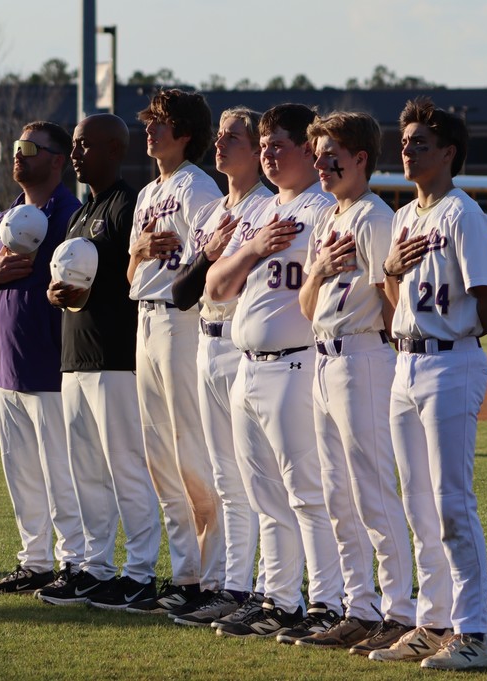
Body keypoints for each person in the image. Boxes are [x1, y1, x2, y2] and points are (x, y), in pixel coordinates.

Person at [369, 97, 487, 670]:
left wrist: (453, 336)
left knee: (452, 502)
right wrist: (393, 272)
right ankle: (433, 621)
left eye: (420, 141)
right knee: (417, 503)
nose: (408, 149)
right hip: (406, 362)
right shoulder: (404, 217)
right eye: (404, 141)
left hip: (451, 362)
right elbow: (394, 306)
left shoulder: (463, 214)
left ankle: (471, 632)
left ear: (449, 152)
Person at [205, 103, 344, 638]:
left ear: (309, 150)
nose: (266, 153)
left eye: (277, 144)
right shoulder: (259, 214)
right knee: (265, 497)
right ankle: (278, 601)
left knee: (307, 494)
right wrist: (254, 248)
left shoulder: (322, 209)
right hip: (248, 369)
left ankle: (327, 602)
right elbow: (216, 287)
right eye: (262, 144)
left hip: (296, 365)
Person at [292, 111, 416, 653]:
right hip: (322, 359)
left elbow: (390, 303)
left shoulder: (371, 217)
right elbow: (305, 306)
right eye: (316, 153)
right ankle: (358, 609)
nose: (320, 163)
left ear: (361, 157)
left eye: (330, 153)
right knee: (337, 495)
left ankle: (398, 612)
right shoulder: (329, 217)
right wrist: (317, 271)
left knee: (372, 493)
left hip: (363, 357)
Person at [37, 113, 163, 609]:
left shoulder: (129, 204)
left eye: (85, 145)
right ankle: (94, 567)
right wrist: (57, 290)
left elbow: (137, 279)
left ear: (114, 148)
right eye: (73, 145)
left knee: (126, 469)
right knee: (85, 472)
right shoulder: (80, 212)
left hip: (116, 357)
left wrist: (91, 286)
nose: (75, 153)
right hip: (76, 357)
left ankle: (138, 573)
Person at [168, 106, 272, 627]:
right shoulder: (213, 213)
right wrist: (207, 254)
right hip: (206, 346)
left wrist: (217, 260)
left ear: (257, 150)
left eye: (234, 137)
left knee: (255, 479)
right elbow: (181, 292)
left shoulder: (267, 207)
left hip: (241, 345)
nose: (221, 143)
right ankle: (228, 585)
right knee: (225, 478)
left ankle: (252, 588)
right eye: (222, 135)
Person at [125, 88, 224, 615]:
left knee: (192, 455)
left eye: (160, 122)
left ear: (184, 132)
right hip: (145, 318)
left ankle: (212, 577)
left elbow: (206, 263)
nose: (150, 130)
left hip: (181, 324)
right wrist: (138, 249)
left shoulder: (198, 187)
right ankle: (184, 574)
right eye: (149, 122)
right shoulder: (147, 193)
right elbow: (130, 275)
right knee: (160, 456)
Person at [0, 121, 84, 594]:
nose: (18, 155)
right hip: (8, 367)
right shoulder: (5, 218)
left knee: (63, 475)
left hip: (53, 365)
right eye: (17, 146)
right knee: (21, 476)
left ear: (57, 160)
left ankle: (75, 564)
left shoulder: (70, 214)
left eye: (30, 148)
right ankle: (34, 562)